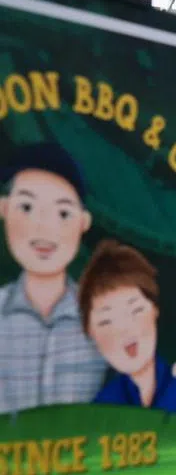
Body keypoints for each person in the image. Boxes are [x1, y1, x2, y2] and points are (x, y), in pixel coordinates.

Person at [0, 143, 105, 413]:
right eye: (26, 207)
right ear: (3, 209)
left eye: (63, 213)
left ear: (83, 222)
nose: (44, 227)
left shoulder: (105, 321)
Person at [78, 239, 176, 420]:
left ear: (155, 309)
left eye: (136, 310)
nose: (125, 330)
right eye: (106, 322)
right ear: (90, 332)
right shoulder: (100, 412)